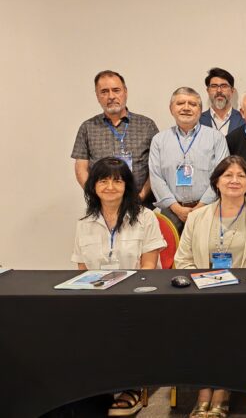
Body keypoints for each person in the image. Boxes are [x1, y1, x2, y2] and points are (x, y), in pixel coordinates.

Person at [173, 156, 246, 418]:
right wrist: (203, 283)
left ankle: (218, 390)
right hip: (203, 293)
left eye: (241, 175)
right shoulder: (197, 217)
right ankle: (208, 389)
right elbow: (182, 260)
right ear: (216, 182)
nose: (234, 180)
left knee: (227, 318)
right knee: (206, 318)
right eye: (228, 175)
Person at [71, 156, 165, 417]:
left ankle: (131, 387)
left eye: (117, 180)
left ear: (127, 185)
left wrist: (126, 297)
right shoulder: (84, 223)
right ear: (93, 186)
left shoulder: (145, 218)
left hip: (138, 297)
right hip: (100, 299)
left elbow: (149, 268)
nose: (110, 186)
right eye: (103, 180)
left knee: (128, 325)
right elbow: (82, 272)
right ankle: (99, 387)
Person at [72, 70, 159, 205]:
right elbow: (81, 168)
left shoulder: (147, 125)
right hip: (103, 206)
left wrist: (142, 194)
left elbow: (156, 166)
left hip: (141, 204)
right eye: (104, 92)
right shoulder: (87, 127)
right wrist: (96, 196)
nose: (111, 96)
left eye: (116, 90)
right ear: (97, 96)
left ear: (125, 92)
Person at [149, 87, 229, 233]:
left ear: (200, 110)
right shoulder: (159, 140)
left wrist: (200, 207)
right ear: (171, 109)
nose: (186, 108)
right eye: (180, 103)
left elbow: (222, 176)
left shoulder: (216, 138)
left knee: (205, 253)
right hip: (171, 211)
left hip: (208, 209)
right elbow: (156, 177)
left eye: (192, 104)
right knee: (171, 254)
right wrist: (176, 208)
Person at [200, 67, 245, 135]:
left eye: (224, 86)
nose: (219, 91)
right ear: (208, 91)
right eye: (214, 86)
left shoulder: (243, 119)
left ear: (232, 91)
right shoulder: (198, 120)